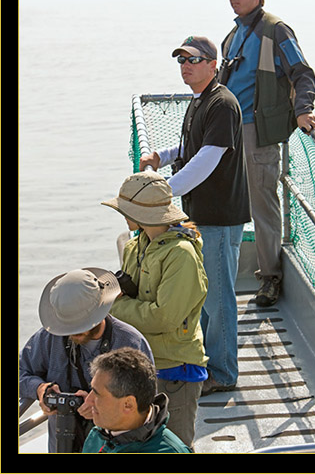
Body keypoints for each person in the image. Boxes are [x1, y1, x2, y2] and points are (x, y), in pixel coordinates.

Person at [139, 36, 251, 396]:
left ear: (212, 65)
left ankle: (223, 371)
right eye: (181, 60)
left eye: (193, 59)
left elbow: (207, 160)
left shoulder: (223, 104)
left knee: (218, 298)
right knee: (204, 295)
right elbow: (191, 147)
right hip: (199, 215)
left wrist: (162, 192)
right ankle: (207, 362)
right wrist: (163, 155)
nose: (186, 65)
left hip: (219, 215)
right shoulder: (199, 101)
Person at [218, 0, 315, 306]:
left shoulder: (276, 30)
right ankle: (220, 274)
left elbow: (302, 73)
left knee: (263, 206)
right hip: (228, 132)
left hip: (257, 132)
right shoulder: (233, 34)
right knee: (227, 203)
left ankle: (270, 278)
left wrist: (304, 109)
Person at [101, 171, 208, 449]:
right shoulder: (136, 245)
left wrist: (114, 304)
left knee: (174, 446)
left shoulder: (181, 254)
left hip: (176, 370)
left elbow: (165, 317)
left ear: (142, 213)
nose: (123, 215)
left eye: (127, 210)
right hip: (148, 364)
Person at [20, 267, 153, 453]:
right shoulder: (49, 337)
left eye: (78, 325)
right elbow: (20, 371)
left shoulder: (131, 342)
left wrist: (100, 407)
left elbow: (143, 407)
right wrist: (39, 389)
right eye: (67, 326)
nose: (70, 332)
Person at [82, 347, 192, 453]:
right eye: (91, 389)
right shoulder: (97, 436)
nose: (88, 400)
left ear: (128, 404)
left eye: (97, 394)